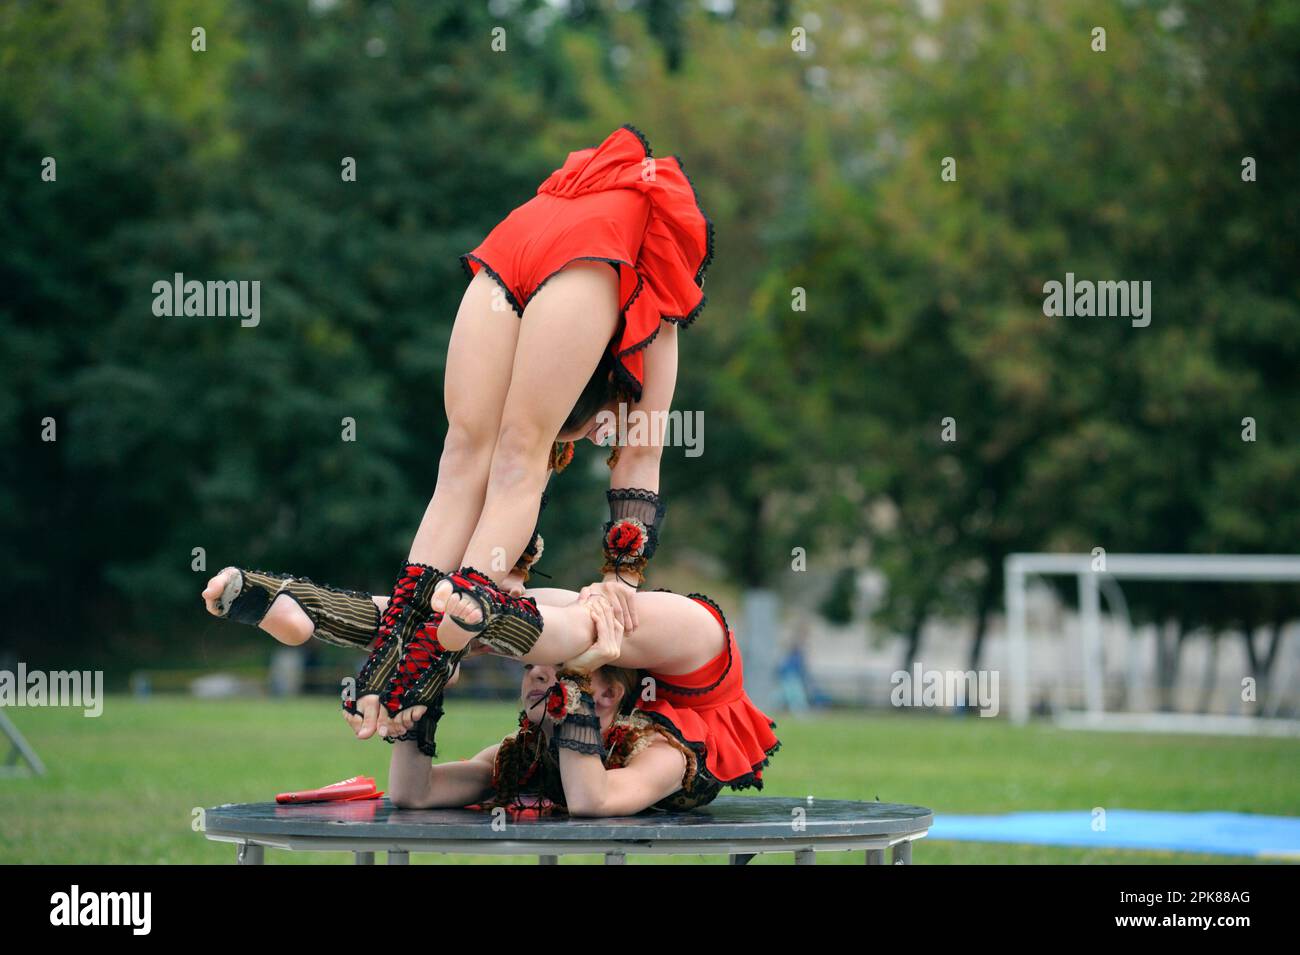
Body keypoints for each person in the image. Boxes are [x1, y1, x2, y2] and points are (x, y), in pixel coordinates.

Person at [345, 123, 714, 737]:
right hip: (586, 248)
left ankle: (389, 667)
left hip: (517, 237)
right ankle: (429, 664)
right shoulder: (655, 303)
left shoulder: (606, 317)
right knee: (518, 457)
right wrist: (619, 578)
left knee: (461, 460)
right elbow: (640, 459)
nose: (597, 439)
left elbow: (476, 485)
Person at [201, 567, 779, 807]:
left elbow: (592, 801)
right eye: (542, 673)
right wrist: (579, 669)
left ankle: (302, 605)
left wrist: (423, 701)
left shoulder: (659, 754)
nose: (541, 681)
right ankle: (303, 604)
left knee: (481, 624)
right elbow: (416, 796)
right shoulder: (654, 736)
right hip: (700, 665)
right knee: (511, 622)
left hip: (658, 666)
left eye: (547, 677)